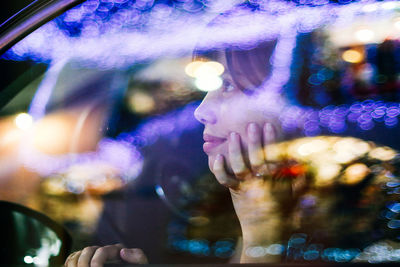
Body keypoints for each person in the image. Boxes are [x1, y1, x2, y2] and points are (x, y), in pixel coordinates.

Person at [65, 33, 400, 266]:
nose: (202, 111)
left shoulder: (368, 186)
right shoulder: (230, 192)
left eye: (229, 86)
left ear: (291, 94)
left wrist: (261, 228)